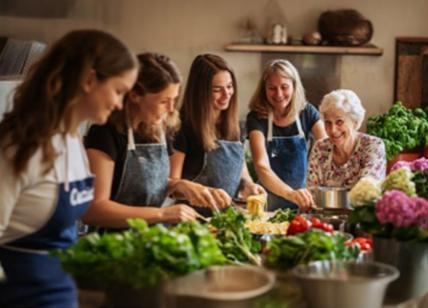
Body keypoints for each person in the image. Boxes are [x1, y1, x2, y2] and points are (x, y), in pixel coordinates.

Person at [0, 30, 138, 307]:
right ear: (89, 79)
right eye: (119, 91)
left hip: (60, 292)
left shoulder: (73, 140)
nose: (120, 104)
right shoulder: (18, 148)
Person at [83, 52, 220, 228]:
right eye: (164, 101)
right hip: (113, 244)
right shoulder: (104, 133)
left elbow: (154, 184)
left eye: (174, 100)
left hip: (153, 239)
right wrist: (162, 214)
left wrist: (180, 185)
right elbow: (94, 210)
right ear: (135, 96)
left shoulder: (160, 130)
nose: (171, 109)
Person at [170, 54, 265, 216]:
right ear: (200, 92)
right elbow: (172, 187)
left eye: (229, 86)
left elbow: (241, 172)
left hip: (227, 219)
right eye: (217, 89)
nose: (227, 94)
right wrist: (198, 191)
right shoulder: (183, 127)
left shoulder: (234, 126)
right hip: (193, 222)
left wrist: (248, 185)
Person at [246, 59, 326, 211]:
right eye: (272, 88)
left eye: (284, 87)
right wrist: (290, 193)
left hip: (303, 201)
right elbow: (261, 166)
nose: (279, 94)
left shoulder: (307, 112)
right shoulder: (257, 117)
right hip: (267, 204)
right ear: (264, 89)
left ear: (294, 87)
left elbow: (326, 150)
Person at [307, 89, 386, 188]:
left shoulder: (373, 146)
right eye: (328, 123)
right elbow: (312, 192)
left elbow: (367, 191)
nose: (333, 130)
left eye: (339, 122)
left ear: (355, 122)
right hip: (323, 204)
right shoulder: (320, 147)